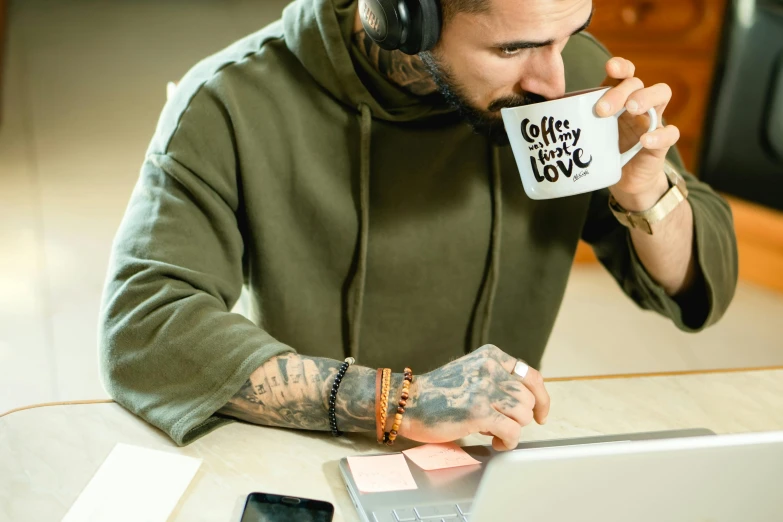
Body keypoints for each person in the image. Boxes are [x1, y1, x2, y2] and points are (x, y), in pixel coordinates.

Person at [99, 0, 738, 449]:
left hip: (489, 463)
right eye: (514, 47)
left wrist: (647, 191)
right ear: (399, 15)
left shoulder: (573, 84)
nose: (552, 79)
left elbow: (698, 286)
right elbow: (146, 329)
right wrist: (402, 403)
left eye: (569, 33)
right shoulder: (231, 101)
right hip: (301, 454)